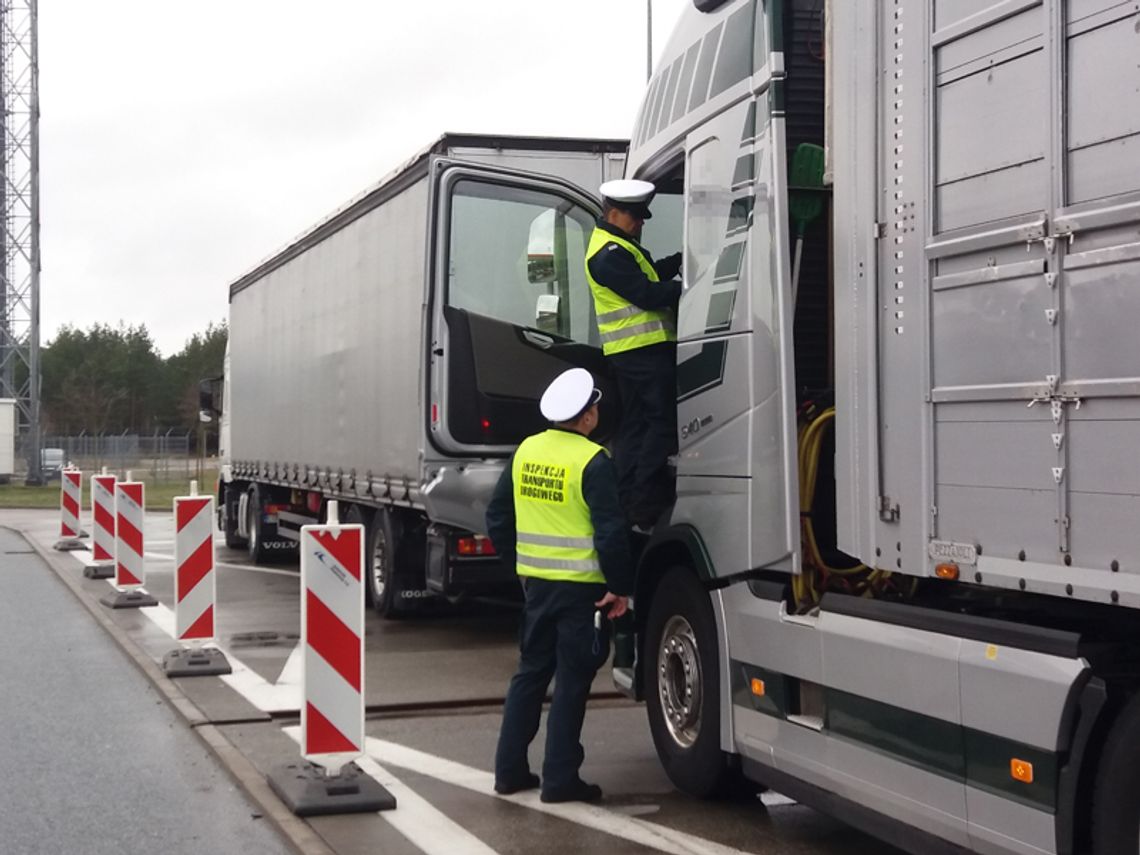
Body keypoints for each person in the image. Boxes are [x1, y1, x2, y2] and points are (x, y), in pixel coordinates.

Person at [487, 367, 634, 804]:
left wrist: (518, 565)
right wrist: (619, 586)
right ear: (587, 416)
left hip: (537, 586)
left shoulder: (526, 451)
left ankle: (509, 772)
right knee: (571, 683)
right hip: (582, 592)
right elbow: (610, 531)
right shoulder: (593, 461)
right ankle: (560, 779)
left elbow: (497, 516)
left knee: (530, 674)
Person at [586, 178, 682, 530]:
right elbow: (646, 293)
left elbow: (650, 275)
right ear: (614, 212)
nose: (640, 222)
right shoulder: (608, 254)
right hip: (641, 352)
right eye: (635, 216)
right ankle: (643, 503)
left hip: (634, 353)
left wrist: (683, 260)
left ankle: (629, 503)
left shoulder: (619, 246)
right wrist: (690, 287)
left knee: (636, 428)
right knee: (662, 424)